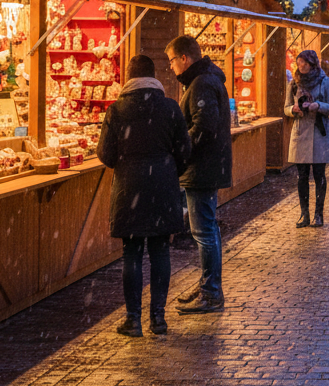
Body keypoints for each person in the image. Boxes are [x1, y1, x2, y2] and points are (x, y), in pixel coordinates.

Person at [98, 55, 190, 338]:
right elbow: (185, 152)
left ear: (128, 78)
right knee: (161, 251)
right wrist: (167, 168)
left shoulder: (117, 110)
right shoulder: (170, 108)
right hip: (162, 187)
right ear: (154, 76)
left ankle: (133, 319)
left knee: (132, 254)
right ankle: (158, 319)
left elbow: (105, 154)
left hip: (129, 188)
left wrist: (128, 163)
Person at [166, 34, 232, 315]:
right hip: (206, 166)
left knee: (204, 231)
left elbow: (204, 126)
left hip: (202, 168)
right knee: (206, 230)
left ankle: (211, 291)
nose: (170, 67)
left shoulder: (202, 83)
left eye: (172, 61)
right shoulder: (203, 80)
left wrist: (183, 148)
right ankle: (208, 284)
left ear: (184, 58)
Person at [285, 49, 329, 228]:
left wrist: (317, 105)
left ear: (313, 64)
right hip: (300, 133)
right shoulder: (293, 84)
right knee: (302, 176)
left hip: (319, 133)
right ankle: (304, 214)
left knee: (319, 175)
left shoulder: (325, 82)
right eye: (299, 63)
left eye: (305, 64)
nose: (302, 67)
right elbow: (285, 107)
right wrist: (293, 109)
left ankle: (319, 214)